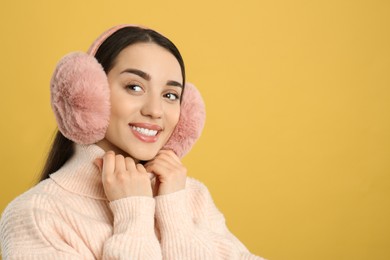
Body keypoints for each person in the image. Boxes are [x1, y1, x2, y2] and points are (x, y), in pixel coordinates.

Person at [0, 24, 266, 259]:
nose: (156, 110)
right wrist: (134, 215)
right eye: (135, 87)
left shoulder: (191, 197)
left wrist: (174, 212)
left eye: (171, 95)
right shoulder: (36, 215)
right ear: (88, 94)